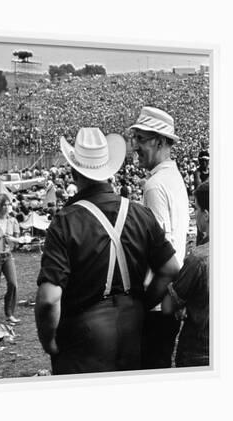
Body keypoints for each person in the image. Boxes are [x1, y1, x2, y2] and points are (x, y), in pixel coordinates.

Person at [35, 128, 179, 375]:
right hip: (132, 330)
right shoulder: (139, 214)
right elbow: (171, 269)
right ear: (108, 170)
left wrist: (48, 341)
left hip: (83, 340)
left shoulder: (65, 221)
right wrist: (143, 304)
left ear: (73, 171)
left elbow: (49, 299)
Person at [130, 106, 190, 369]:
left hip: (157, 301)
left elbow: (161, 254)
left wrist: (142, 306)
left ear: (159, 141)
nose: (135, 147)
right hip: (169, 297)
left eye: (141, 139)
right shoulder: (173, 178)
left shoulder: (154, 185)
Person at [160, 181, 210, 367]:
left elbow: (167, 306)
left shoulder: (198, 259)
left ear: (206, 215)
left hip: (198, 351)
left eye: (195, 208)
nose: (194, 214)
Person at [0, 193, 21, 324]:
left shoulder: (12, 220)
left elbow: (17, 241)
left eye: (9, 204)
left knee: (13, 284)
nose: (8, 207)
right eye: (5, 205)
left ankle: (9, 313)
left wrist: (14, 240)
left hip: (7, 256)